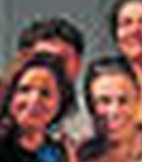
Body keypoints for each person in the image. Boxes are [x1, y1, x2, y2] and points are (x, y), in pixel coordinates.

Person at [16, 18, 89, 149]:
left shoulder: (93, 122)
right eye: (42, 58)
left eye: (61, 60)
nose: (51, 67)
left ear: (77, 64)